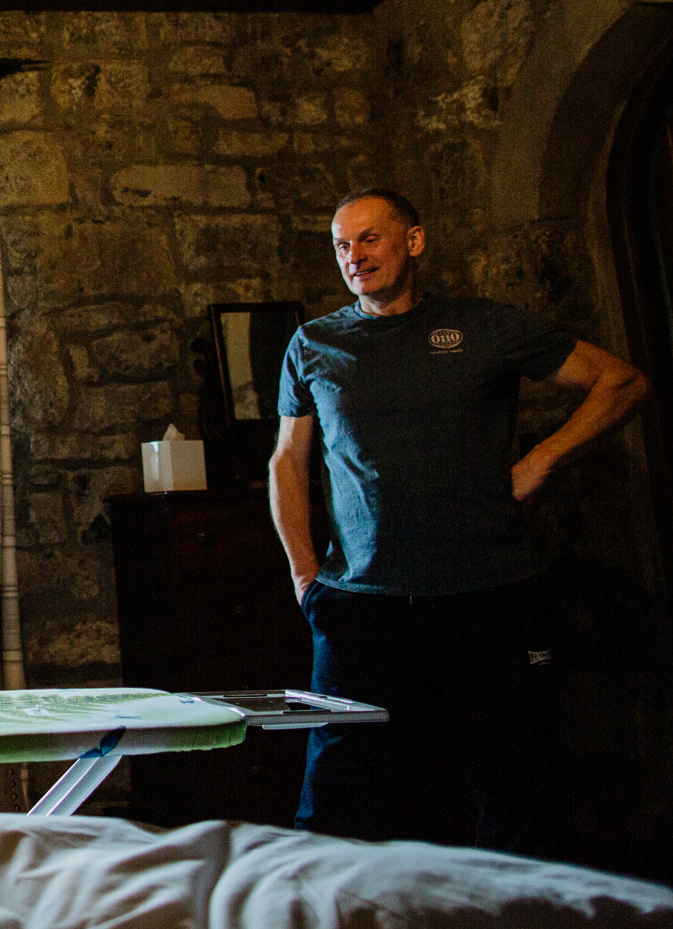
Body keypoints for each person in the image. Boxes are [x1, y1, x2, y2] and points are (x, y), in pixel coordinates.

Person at [269, 188, 648, 854]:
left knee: (518, 798)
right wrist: (306, 575)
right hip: (364, 610)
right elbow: (286, 462)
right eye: (341, 245)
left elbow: (621, 381)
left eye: (369, 239)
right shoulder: (315, 344)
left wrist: (541, 461)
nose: (354, 256)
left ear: (413, 242)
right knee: (337, 806)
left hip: (491, 600)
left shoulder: (484, 327)